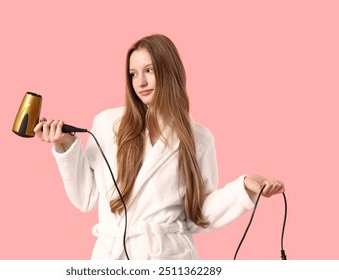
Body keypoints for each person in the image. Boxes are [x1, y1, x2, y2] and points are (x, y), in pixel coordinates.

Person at [34, 34, 285, 260]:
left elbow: (198, 216)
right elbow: (85, 198)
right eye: (133, 74)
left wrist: (244, 188)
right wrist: (67, 147)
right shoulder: (106, 124)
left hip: (169, 258)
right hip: (112, 258)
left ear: (169, 71)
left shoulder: (199, 138)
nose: (140, 82)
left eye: (149, 70)